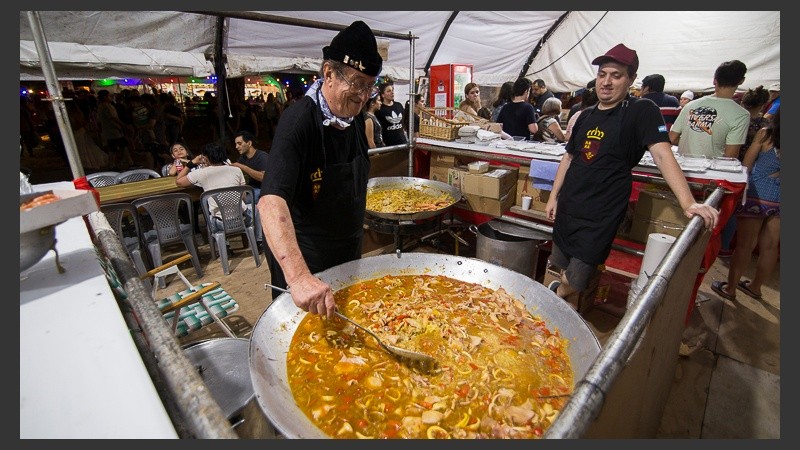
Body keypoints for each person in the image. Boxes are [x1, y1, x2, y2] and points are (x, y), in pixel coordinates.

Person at [544, 43, 718, 302]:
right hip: (570, 204)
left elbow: (662, 153)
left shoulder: (641, 111)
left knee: (579, 276)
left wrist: (688, 202)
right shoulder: (585, 115)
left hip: (601, 212)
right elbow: (569, 157)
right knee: (560, 260)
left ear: (631, 80)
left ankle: (558, 293)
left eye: (616, 75)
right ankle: (560, 297)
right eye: (602, 74)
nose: (606, 82)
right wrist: (553, 196)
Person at [257, 20, 382, 318]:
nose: (363, 95)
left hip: (348, 253)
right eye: (356, 83)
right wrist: (299, 278)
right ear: (328, 73)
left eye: (369, 86)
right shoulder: (299, 121)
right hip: (308, 258)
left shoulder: (353, 118)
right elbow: (270, 202)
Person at [711, 107, 779, 302]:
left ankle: (731, 288)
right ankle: (755, 287)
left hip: (758, 193)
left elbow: (746, 165)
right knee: (771, 246)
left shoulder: (766, 135)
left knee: (745, 245)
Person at [718, 85, 770, 258]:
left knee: (720, 206)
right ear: (762, 104)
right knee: (733, 209)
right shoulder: (764, 125)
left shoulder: (737, 116)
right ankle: (724, 246)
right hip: (746, 170)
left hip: (728, 164)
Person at [669, 60, 749, 159]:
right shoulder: (741, 114)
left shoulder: (690, 105)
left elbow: (672, 138)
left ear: (714, 80)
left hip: (682, 168)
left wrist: (692, 144)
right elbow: (730, 156)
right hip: (711, 171)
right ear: (742, 80)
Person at [175, 141, 249, 234]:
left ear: (205, 158)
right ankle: (257, 241)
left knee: (210, 217)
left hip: (220, 223)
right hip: (242, 219)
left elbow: (179, 182)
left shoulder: (201, 173)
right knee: (254, 210)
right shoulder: (236, 170)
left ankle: (224, 245)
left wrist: (192, 163)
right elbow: (244, 197)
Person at [376, 80, 407, 146]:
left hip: (402, 142)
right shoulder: (380, 109)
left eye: (392, 90)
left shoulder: (398, 105)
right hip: (388, 144)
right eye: (389, 91)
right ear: (383, 95)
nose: (392, 92)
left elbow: (403, 121)